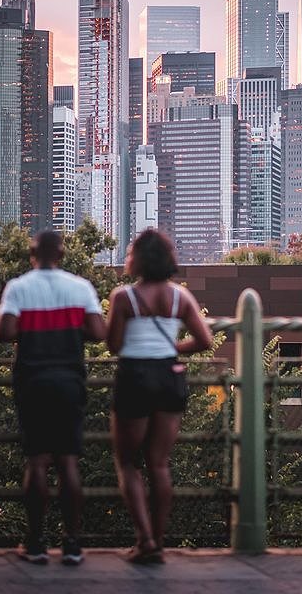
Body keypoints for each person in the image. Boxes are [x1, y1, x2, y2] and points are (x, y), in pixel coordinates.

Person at [0, 230, 106, 566]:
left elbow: (5, 332)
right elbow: (99, 333)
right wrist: (71, 326)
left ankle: (36, 543)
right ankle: (72, 544)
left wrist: (32, 326)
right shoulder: (80, 287)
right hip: (70, 379)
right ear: (61, 254)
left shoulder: (19, 287)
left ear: (32, 254)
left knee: (37, 462)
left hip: (32, 380)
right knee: (68, 462)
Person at [107, 228, 213, 563]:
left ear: (137, 259)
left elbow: (113, 345)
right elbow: (204, 342)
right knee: (159, 463)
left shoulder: (123, 297)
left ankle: (145, 541)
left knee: (127, 462)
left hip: (135, 377)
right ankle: (160, 540)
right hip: (169, 376)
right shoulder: (181, 298)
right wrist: (172, 347)